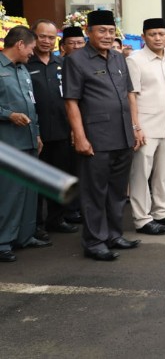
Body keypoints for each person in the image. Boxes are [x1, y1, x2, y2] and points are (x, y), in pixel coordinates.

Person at [63, 10, 144, 261]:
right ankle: (94, 241)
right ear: (89, 32)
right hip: (96, 138)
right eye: (102, 31)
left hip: (123, 136)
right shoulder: (76, 60)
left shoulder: (119, 59)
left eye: (111, 31)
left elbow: (130, 94)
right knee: (94, 192)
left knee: (117, 191)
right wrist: (80, 136)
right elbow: (71, 102)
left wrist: (135, 127)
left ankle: (113, 235)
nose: (108, 36)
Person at [126, 18, 165, 235]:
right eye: (153, 34)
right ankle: (142, 218)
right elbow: (131, 95)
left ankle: (162, 211)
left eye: (161, 34)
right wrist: (135, 126)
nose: (158, 38)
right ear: (143, 37)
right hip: (146, 126)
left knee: (164, 172)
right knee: (140, 173)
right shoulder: (135, 60)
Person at [0, 26, 50, 263]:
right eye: (31, 48)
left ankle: (25, 235)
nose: (32, 53)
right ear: (20, 44)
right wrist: (8, 115)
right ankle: (3, 242)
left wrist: (37, 133)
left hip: (29, 139)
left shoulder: (23, 70)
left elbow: (31, 105)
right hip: (9, 142)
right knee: (10, 194)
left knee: (30, 191)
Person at [27, 20, 79, 235]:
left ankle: (56, 219)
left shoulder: (61, 63)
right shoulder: (25, 63)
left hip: (61, 130)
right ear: (33, 37)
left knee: (60, 178)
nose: (47, 41)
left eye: (51, 37)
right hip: (36, 133)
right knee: (36, 181)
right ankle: (36, 225)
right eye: (42, 36)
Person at [59, 26, 86, 225]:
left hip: (84, 126)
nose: (76, 46)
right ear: (63, 47)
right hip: (60, 127)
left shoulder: (86, 65)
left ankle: (79, 208)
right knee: (65, 170)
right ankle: (66, 211)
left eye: (80, 43)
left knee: (82, 171)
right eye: (72, 43)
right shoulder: (59, 65)